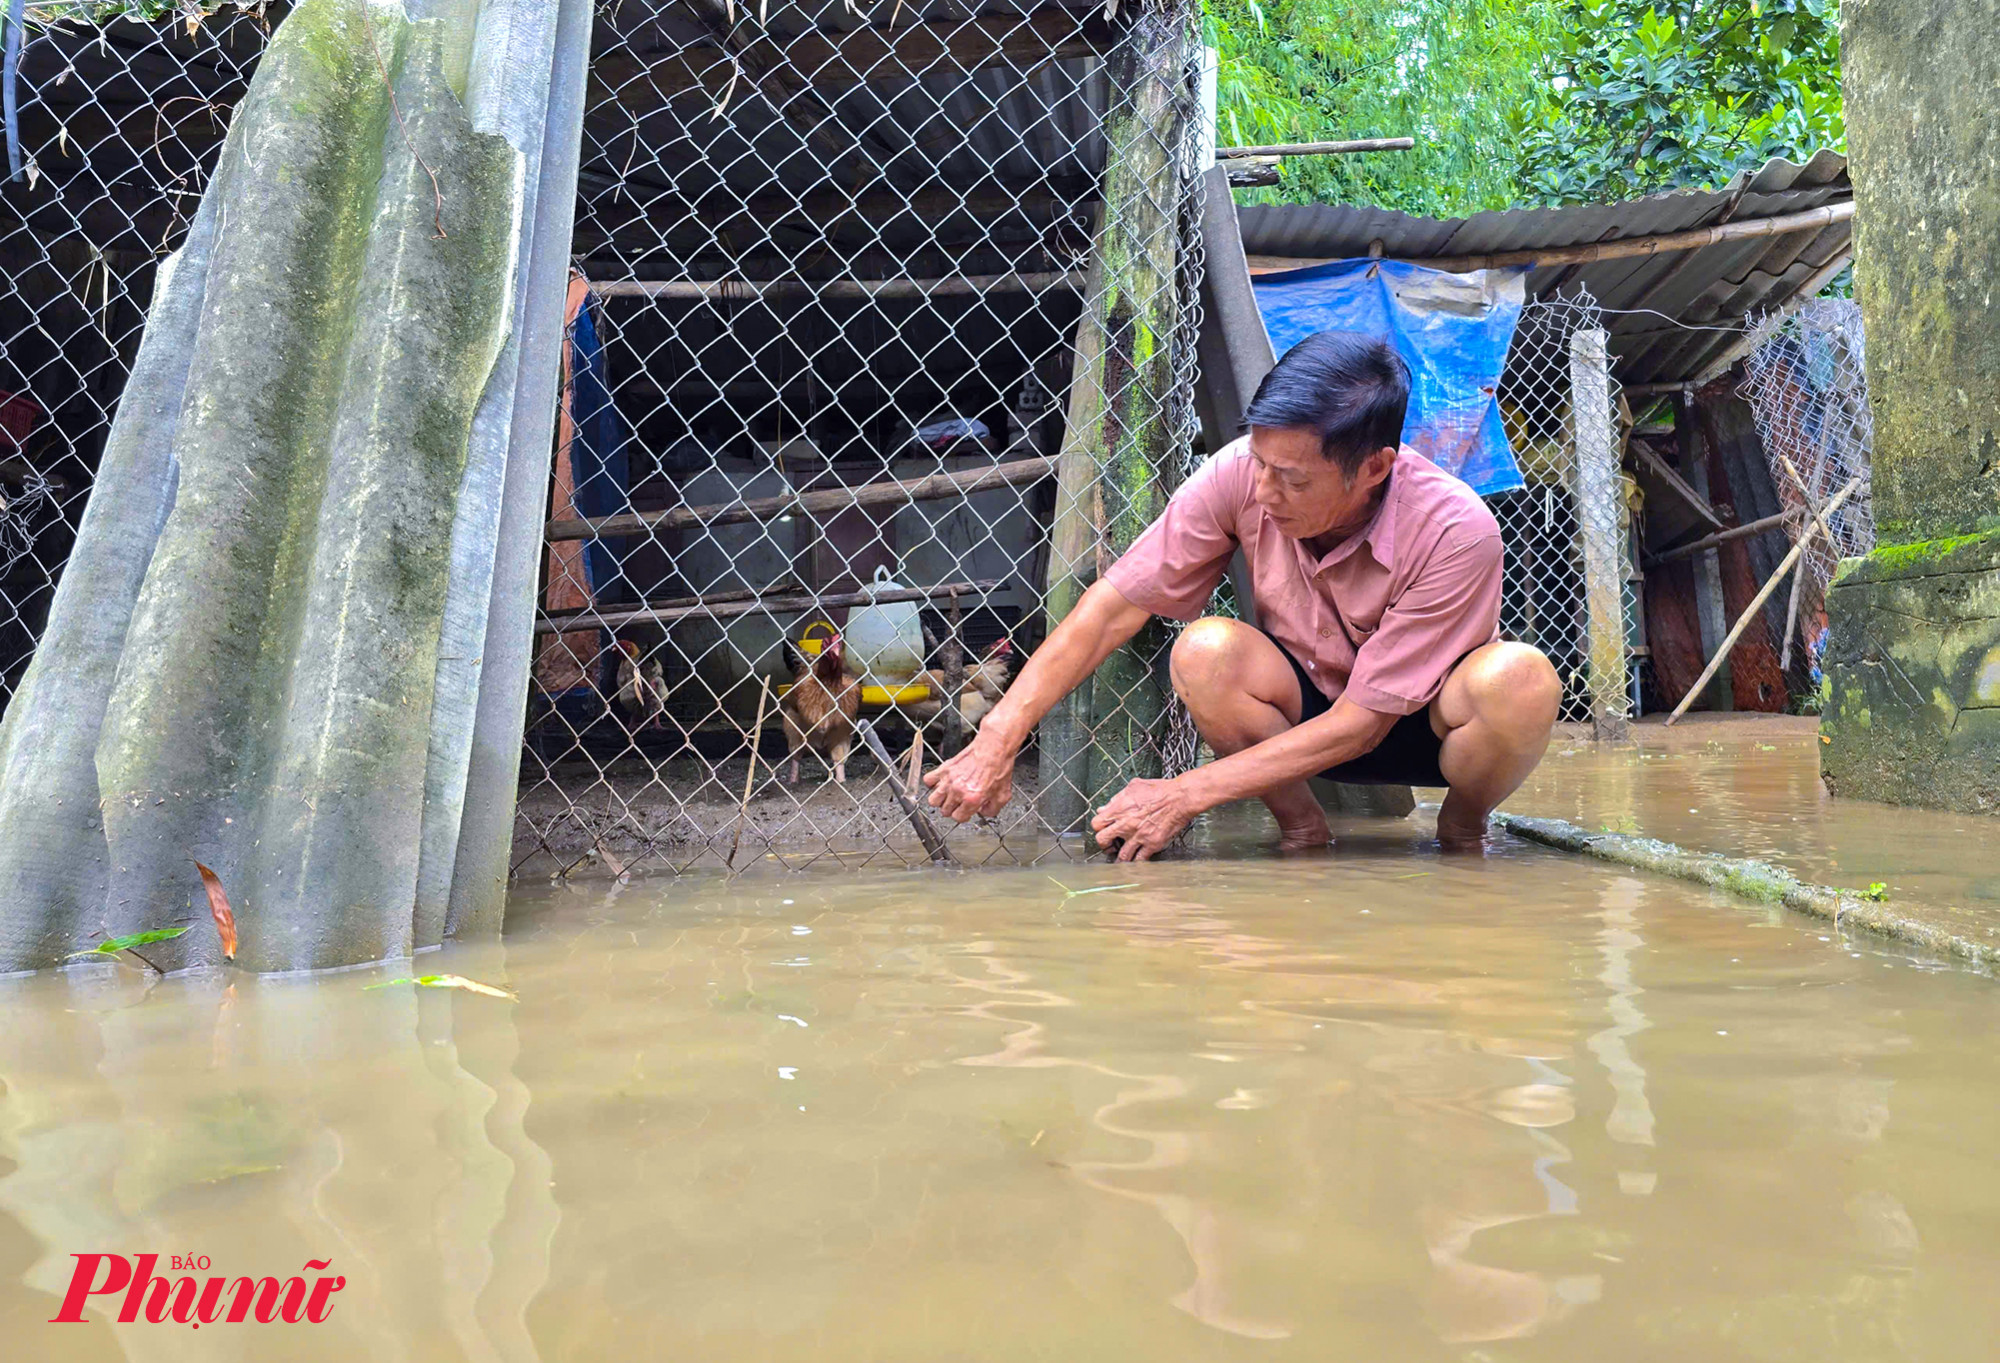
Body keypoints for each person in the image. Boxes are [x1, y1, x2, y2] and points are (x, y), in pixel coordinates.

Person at [923, 330, 1562, 861]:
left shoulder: (1457, 529)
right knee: (1204, 651)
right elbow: (1113, 606)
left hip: (1420, 728)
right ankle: (1304, 832)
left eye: (1291, 479)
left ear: (1375, 468)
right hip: (1301, 711)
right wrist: (1000, 734)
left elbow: (1364, 727)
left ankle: (1463, 830)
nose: (1263, 491)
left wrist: (1183, 793)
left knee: (1521, 679)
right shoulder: (1240, 473)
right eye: (1259, 463)